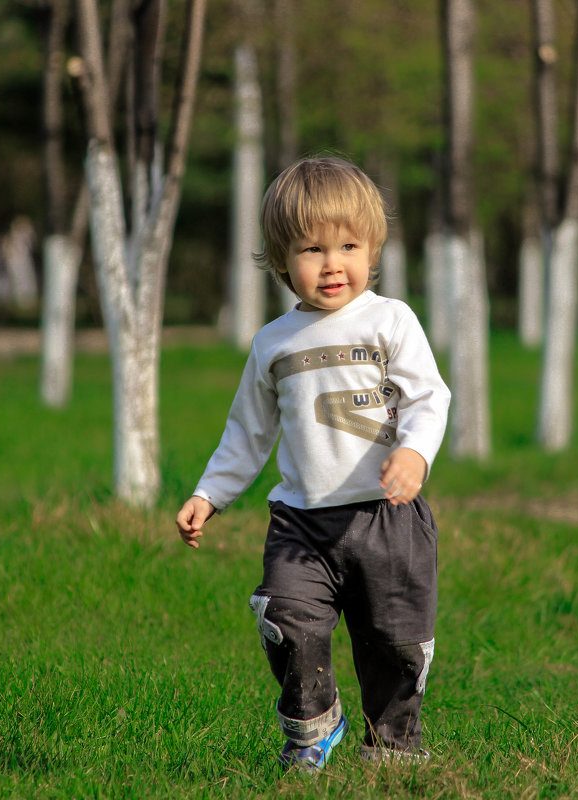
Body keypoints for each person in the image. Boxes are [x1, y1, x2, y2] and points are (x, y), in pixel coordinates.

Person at [175, 157, 450, 772]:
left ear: (372, 249)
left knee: (395, 645)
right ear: (281, 261)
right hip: (302, 527)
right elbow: (248, 431)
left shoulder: (390, 320)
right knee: (286, 618)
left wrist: (414, 452)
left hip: (388, 518)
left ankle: (393, 748)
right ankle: (312, 727)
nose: (332, 264)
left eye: (348, 246)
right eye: (311, 249)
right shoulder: (273, 342)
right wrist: (209, 494)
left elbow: (430, 397)